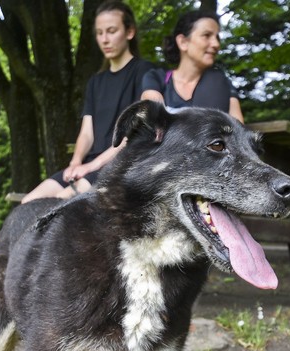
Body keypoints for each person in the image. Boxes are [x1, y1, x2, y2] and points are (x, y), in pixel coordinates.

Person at [20, 1, 153, 203]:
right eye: (99, 33)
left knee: (58, 204)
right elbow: (87, 133)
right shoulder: (95, 81)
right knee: (28, 203)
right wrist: (75, 162)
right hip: (90, 166)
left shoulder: (144, 72)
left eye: (111, 31)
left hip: (122, 166)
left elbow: (136, 133)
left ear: (130, 32)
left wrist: (92, 166)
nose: (104, 39)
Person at [140, 10, 244, 123]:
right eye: (206, 35)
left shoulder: (222, 84)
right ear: (183, 42)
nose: (216, 44)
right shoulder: (157, 78)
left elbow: (238, 127)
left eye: (217, 37)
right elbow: (152, 118)